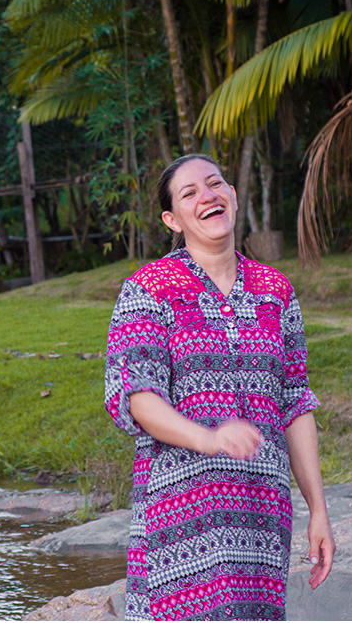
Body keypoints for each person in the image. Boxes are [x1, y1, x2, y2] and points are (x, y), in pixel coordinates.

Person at [104, 154, 334, 621]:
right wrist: (208, 438)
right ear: (172, 219)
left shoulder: (276, 291)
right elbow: (139, 397)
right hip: (182, 513)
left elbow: (295, 403)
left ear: (231, 195)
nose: (207, 195)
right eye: (189, 193)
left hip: (261, 516)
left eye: (215, 184)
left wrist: (318, 510)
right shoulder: (148, 289)